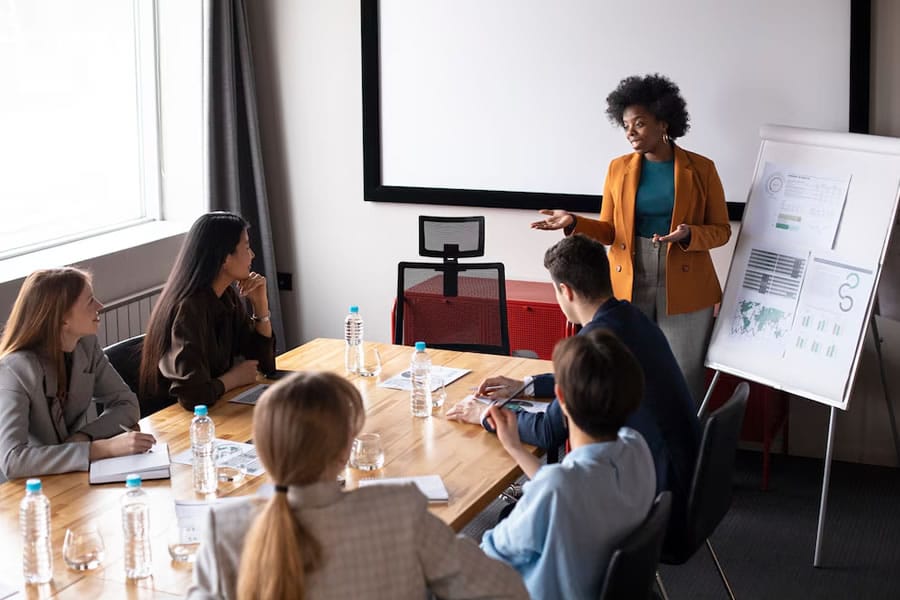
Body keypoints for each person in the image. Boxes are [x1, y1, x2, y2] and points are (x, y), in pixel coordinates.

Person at [447, 234, 700, 550]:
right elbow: (590, 371)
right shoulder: (630, 318)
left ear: (565, 291)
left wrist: (485, 415)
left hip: (656, 503)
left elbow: (547, 430)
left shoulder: (598, 336)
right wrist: (526, 384)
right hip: (677, 484)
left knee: (516, 515)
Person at [187, 371, 528, 600]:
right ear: (345, 450)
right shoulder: (398, 513)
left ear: (261, 449)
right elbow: (505, 591)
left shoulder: (224, 529)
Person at [531, 73, 731, 403]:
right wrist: (574, 222)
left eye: (639, 123)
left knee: (683, 374)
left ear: (663, 122)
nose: (630, 133)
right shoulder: (617, 169)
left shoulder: (702, 169)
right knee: (626, 369)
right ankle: (632, 446)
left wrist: (689, 234)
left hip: (685, 283)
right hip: (629, 279)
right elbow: (611, 232)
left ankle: (686, 449)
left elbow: (721, 230)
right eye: (625, 125)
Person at [479, 329, 656, 599]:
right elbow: (566, 489)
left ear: (560, 398)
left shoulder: (558, 489)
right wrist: (515, 448)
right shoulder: (636, 447)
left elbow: (489, 554)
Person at [0, 268, 155, 482]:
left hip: (67, 476)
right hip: (20, 490)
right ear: (63, 319)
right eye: (90, 301)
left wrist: (84, 437)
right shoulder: (14, 370)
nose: (100, 306)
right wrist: (100, 449)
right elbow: (12, 460)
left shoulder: (85, 346)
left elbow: (126, 404)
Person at [139, 212, 276, 414]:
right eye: (246, 248)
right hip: (177, 422)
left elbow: (264, 365)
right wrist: (232, 379)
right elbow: (192, 397)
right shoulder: (189, 308)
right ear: (224, 258)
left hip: (214, 410)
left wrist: (261, 307)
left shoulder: (225, 295)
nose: (252, 255)